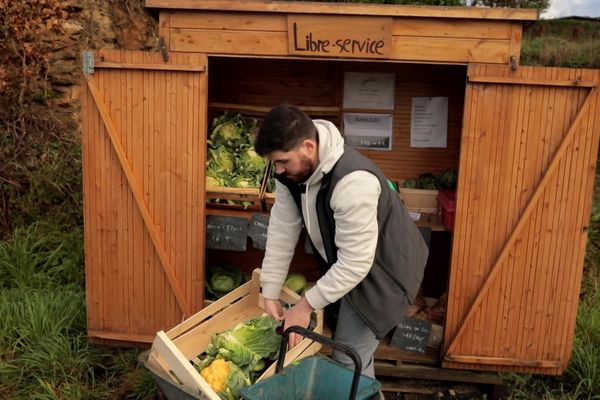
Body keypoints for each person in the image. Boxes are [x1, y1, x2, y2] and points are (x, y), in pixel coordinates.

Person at [255, 104, 429, 378]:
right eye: (274, 162)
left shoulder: (353, 182)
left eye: (283, 161)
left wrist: (304, 306)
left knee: (348, 358)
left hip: (385, 271)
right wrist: (270, 290)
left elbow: (357, 263)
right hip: (350, 263)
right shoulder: (291, 172)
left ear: (309, 147)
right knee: (353, 357)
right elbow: (282, 228)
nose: (277, 170)